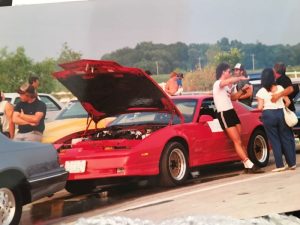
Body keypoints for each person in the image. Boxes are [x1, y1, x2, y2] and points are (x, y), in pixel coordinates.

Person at [213, 62, 263, 174]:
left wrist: (242, 90)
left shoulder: (227, 86)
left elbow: (233, 98)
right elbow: (227, 81)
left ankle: (247, 164)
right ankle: (248, 163)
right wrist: (239, 77)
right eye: (228, 71)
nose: (230, 73)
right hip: (224, 113)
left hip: (231, 112)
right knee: (236, 140)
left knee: (240, 140)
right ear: (223, 72)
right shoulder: (218, 83)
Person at [256, 68, 296, 171]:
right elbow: (288, 102)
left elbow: (260, 107)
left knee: (275, 140)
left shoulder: (261, 91)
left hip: (268, 114)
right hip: (281, 113)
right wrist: (283, 107)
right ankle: (292, 163)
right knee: (286, 138)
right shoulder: (279, 87)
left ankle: (280, 165)